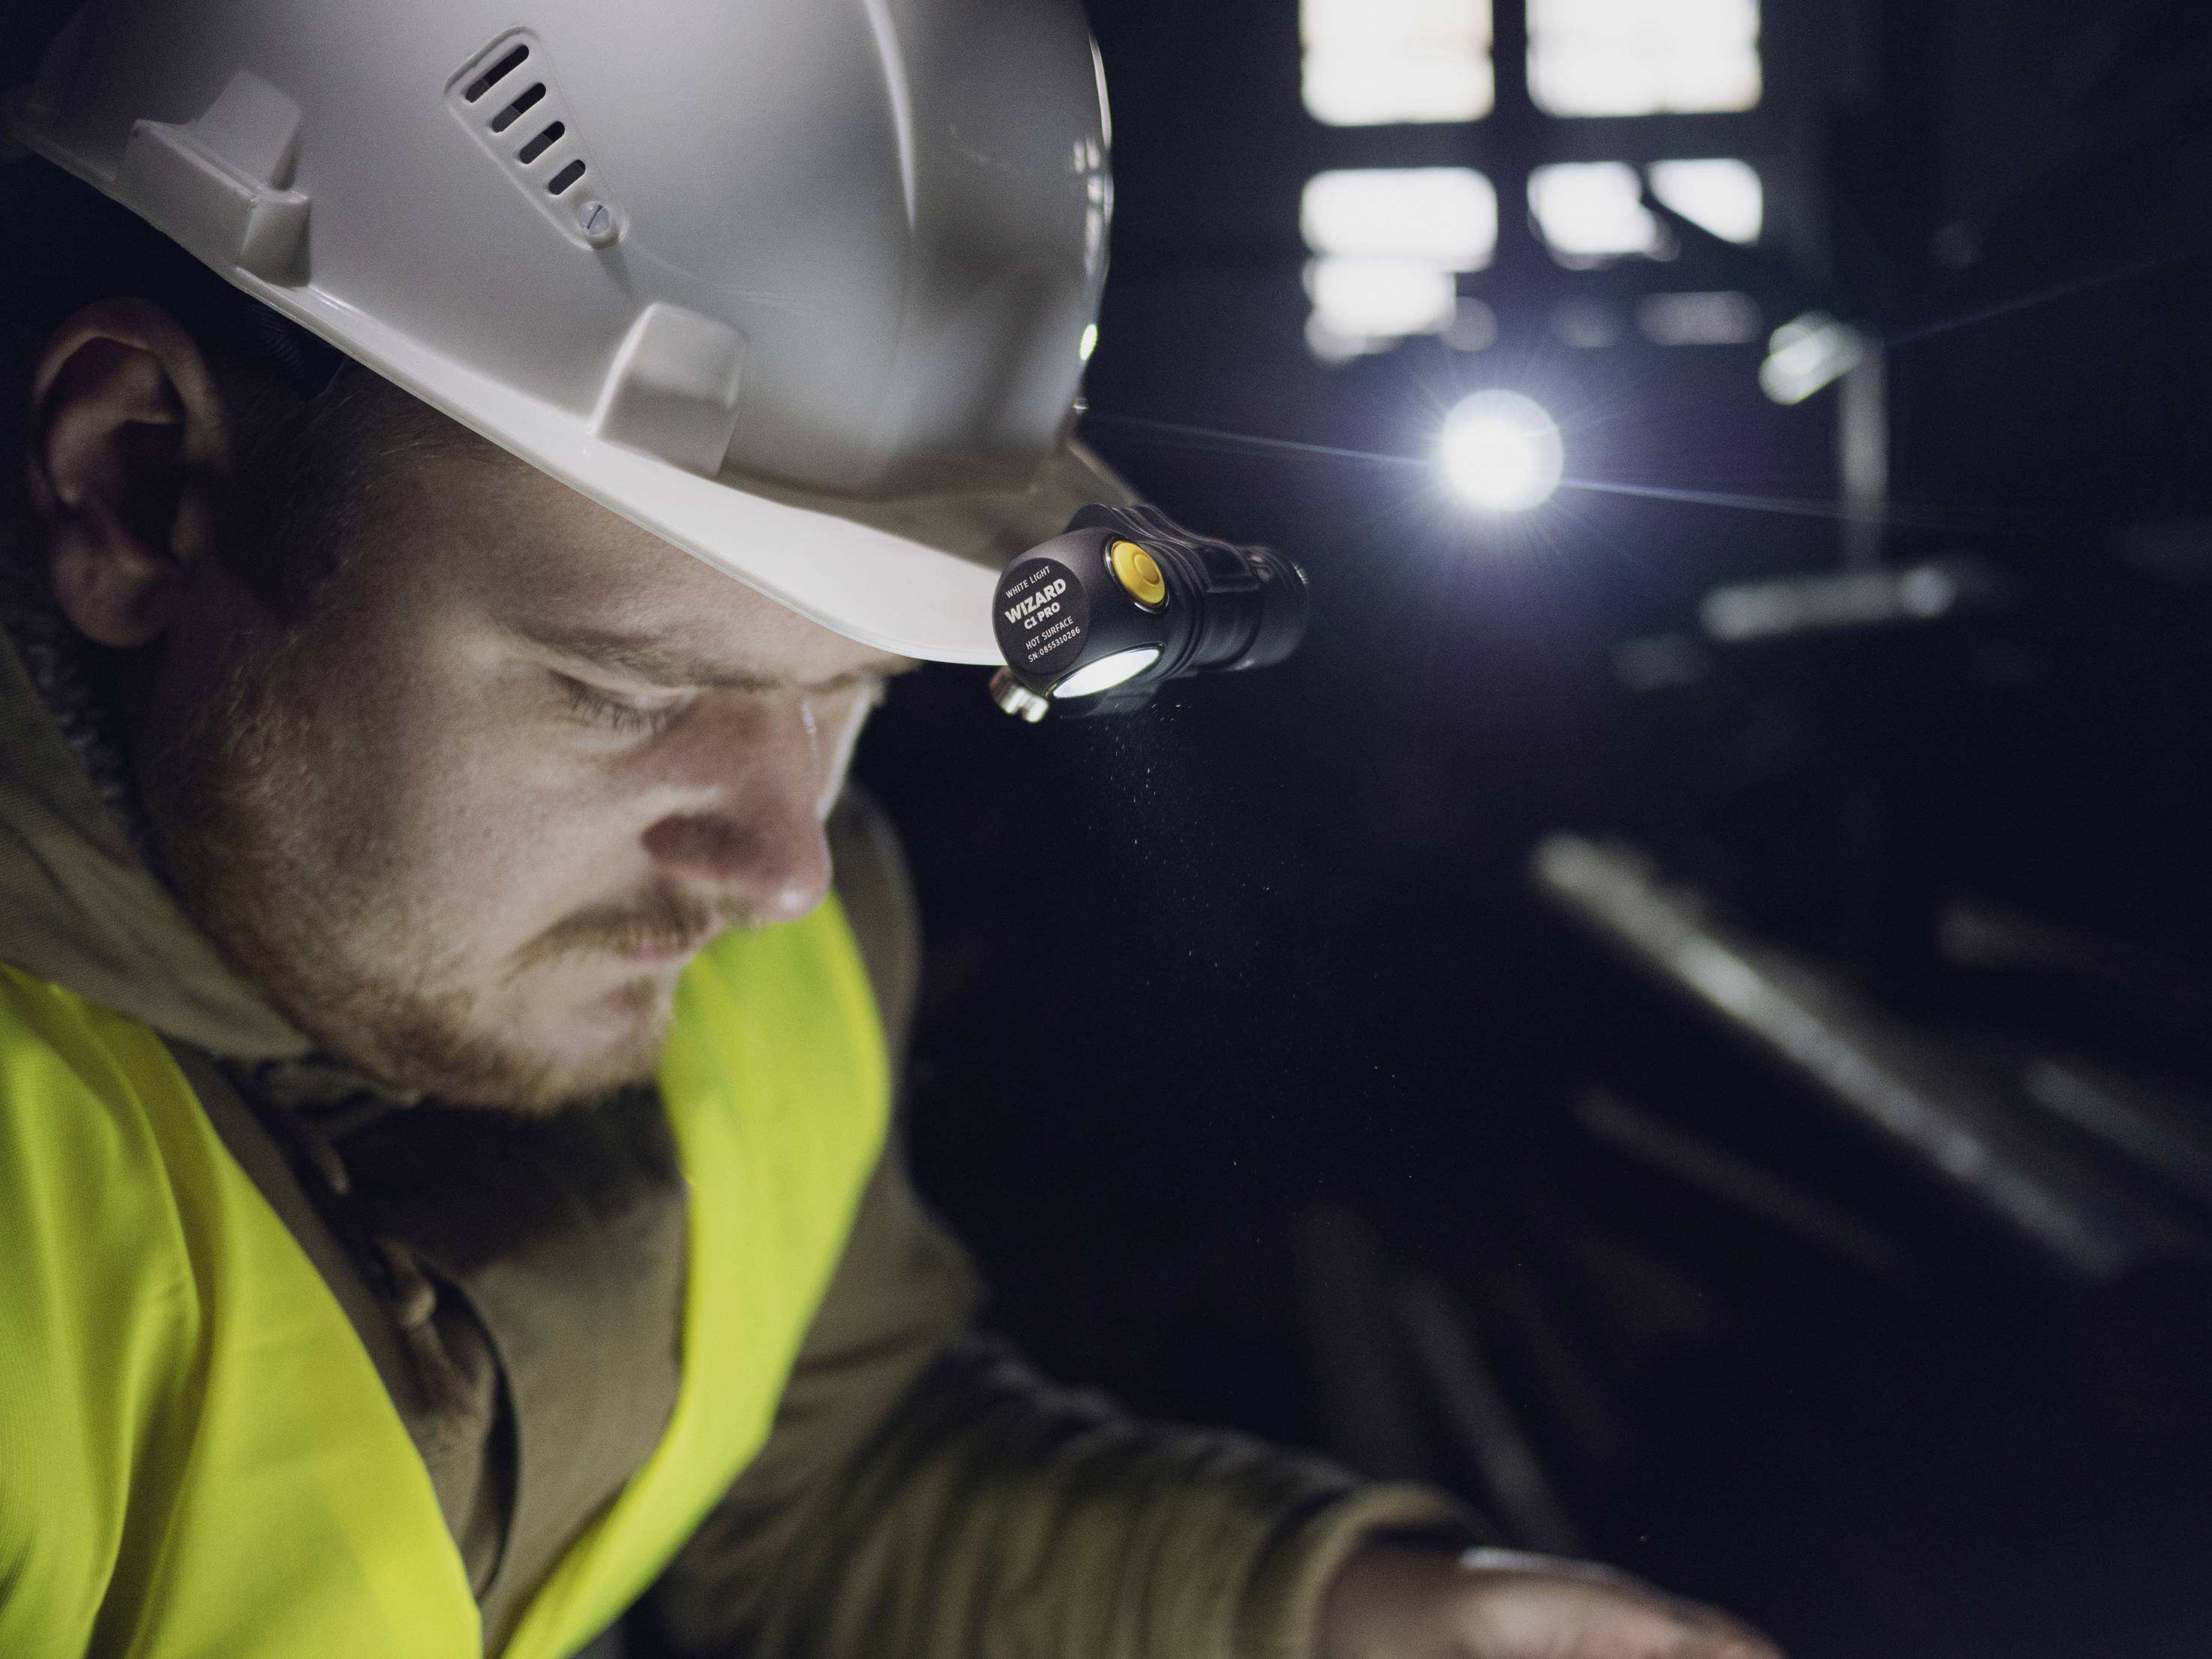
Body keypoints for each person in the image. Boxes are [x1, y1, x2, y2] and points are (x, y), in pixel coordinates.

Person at [0, 3, 1783, 1655]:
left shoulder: (785, 946)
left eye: (851, 692)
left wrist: (1337, 1611)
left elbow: (803, 1474)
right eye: (623, 693)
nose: (781, 867)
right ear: (141, 484)